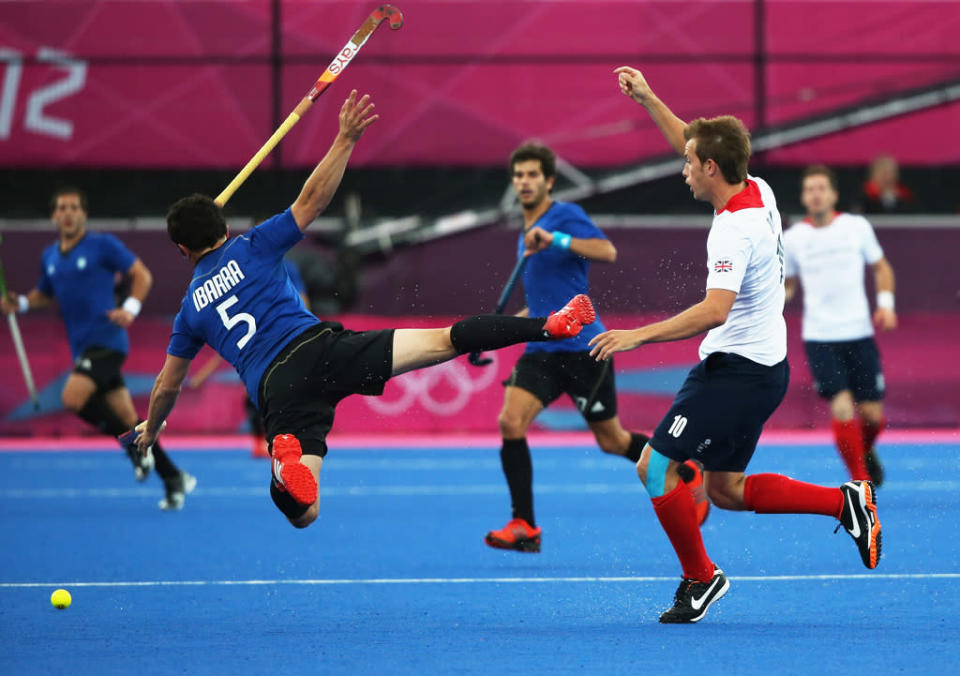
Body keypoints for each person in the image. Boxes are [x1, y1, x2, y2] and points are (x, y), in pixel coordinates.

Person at [130, 91, 597, 529]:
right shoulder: (252, 245)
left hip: (279, 388)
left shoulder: (189, 309)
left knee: (303, 513)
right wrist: (345, 139)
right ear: (224, 227)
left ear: (180, 249)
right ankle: (548, 324)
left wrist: (151, 429)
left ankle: (281, 467)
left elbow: (167, 384)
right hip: (323, 347)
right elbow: (311, 202)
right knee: (444, 338)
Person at [587, 67, 882, 624]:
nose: (683, 169)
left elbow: (714, 311)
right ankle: (848, 502)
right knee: (724, 489)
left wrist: (636, 335)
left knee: (653, 468)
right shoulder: (756, 188)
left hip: (735, 370)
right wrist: (650, 98)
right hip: (762, 368)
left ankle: (701, 580)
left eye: (689, 164)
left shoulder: (732, 231)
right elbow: (695, 143)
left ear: (710, 170)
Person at [484, 142, 708, 554]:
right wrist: (499, 331)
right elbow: (540, 301)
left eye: (533, 174)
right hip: (543, 350)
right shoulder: (525, 231)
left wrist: (557, 240)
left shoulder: (562, 217)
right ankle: (524, 525)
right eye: (519, 175)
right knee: (510, 422)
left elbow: (607, 251)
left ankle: (687, 468)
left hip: (585, 348)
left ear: (549, 181)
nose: (525, 182)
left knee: (612, 441)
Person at [0, 187, 195, 510]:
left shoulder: (102, 245)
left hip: (107, 340)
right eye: (62, 208)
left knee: (72, 398)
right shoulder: (49, 256)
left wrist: (130, 309)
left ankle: (133, 450)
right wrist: (18, 303)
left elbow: (141, 274)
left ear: (83, 214)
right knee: (130, 419)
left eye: (75, 207)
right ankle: (173, 478)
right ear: (54, 216)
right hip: (83, 348)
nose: (69, 213)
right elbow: (43, 295)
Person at [785, 165, 896, 486]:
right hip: (820, 336)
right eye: (810, 189)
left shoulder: (856, 227)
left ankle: (864, 448)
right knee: (844, 408)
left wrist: (886, 305)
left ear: (833, 194)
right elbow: (790, 283)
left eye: (822, 188)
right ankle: (860, 486)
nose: (816, 194)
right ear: (804, 197)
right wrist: (778, 297)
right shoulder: (793, 238)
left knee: (873, 416)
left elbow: (881, 268)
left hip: (859, 333)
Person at [188, 257, 311, 458]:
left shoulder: (286, 269)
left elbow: (303, 300)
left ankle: (288, 439)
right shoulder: (243, 273)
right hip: (256, 344)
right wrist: (203, 373)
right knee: (253, 394)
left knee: (281, 393)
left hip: (283, 338)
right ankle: (262, 441)